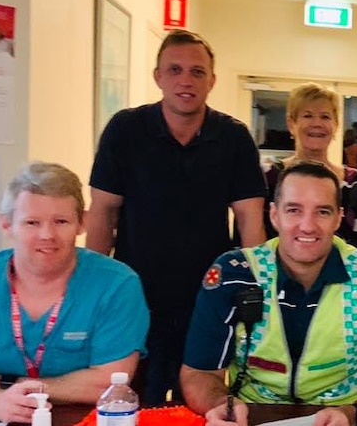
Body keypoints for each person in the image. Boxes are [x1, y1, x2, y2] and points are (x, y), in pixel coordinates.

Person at [87, 29, 267, 404]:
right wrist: (93, 284)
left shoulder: (233, 137)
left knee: (201, 402)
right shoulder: (125, 129)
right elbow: (102, 213)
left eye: (197, 72)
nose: (186, 80)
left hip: (209, 296)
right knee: (131, 398)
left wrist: (256, 290)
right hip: (135, 294)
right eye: (175, 69)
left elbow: (250, 220)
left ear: (212, 81)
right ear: (158, 77)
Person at [180, 161, 357, 426]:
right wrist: (220, 406)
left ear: (339, 218)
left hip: (343, 417)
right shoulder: (233, 274)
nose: (307, 226)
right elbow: (198, 373)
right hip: (251, 416)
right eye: (294, 210)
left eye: (322, 212)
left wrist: (354, 415)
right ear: (274, 215)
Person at [0, 162, 148, 424]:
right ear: (6, 225)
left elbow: (108, 384)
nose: (47, 235)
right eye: (32, 222)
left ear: (82, 223)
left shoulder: (118, 284)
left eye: (60, 221)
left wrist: (10, 385)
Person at [274, 83, 357, 254]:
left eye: (325, 117)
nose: (317, 123)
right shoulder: (270, 177)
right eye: (308, 115)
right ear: (291, 124)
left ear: (336, 125)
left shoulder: (355, 183)